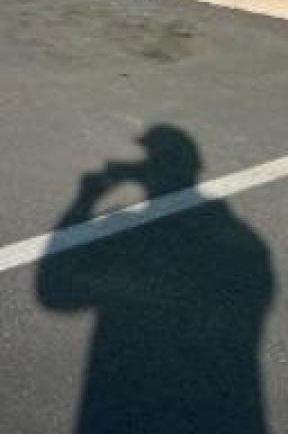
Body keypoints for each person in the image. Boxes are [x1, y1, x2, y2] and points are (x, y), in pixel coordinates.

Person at [37, 126, 274, 433]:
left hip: (130, 407)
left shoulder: (131, 238)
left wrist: (84, 200)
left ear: (153, 169)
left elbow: (54, 291)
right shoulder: (245, 245)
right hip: (223, 411)